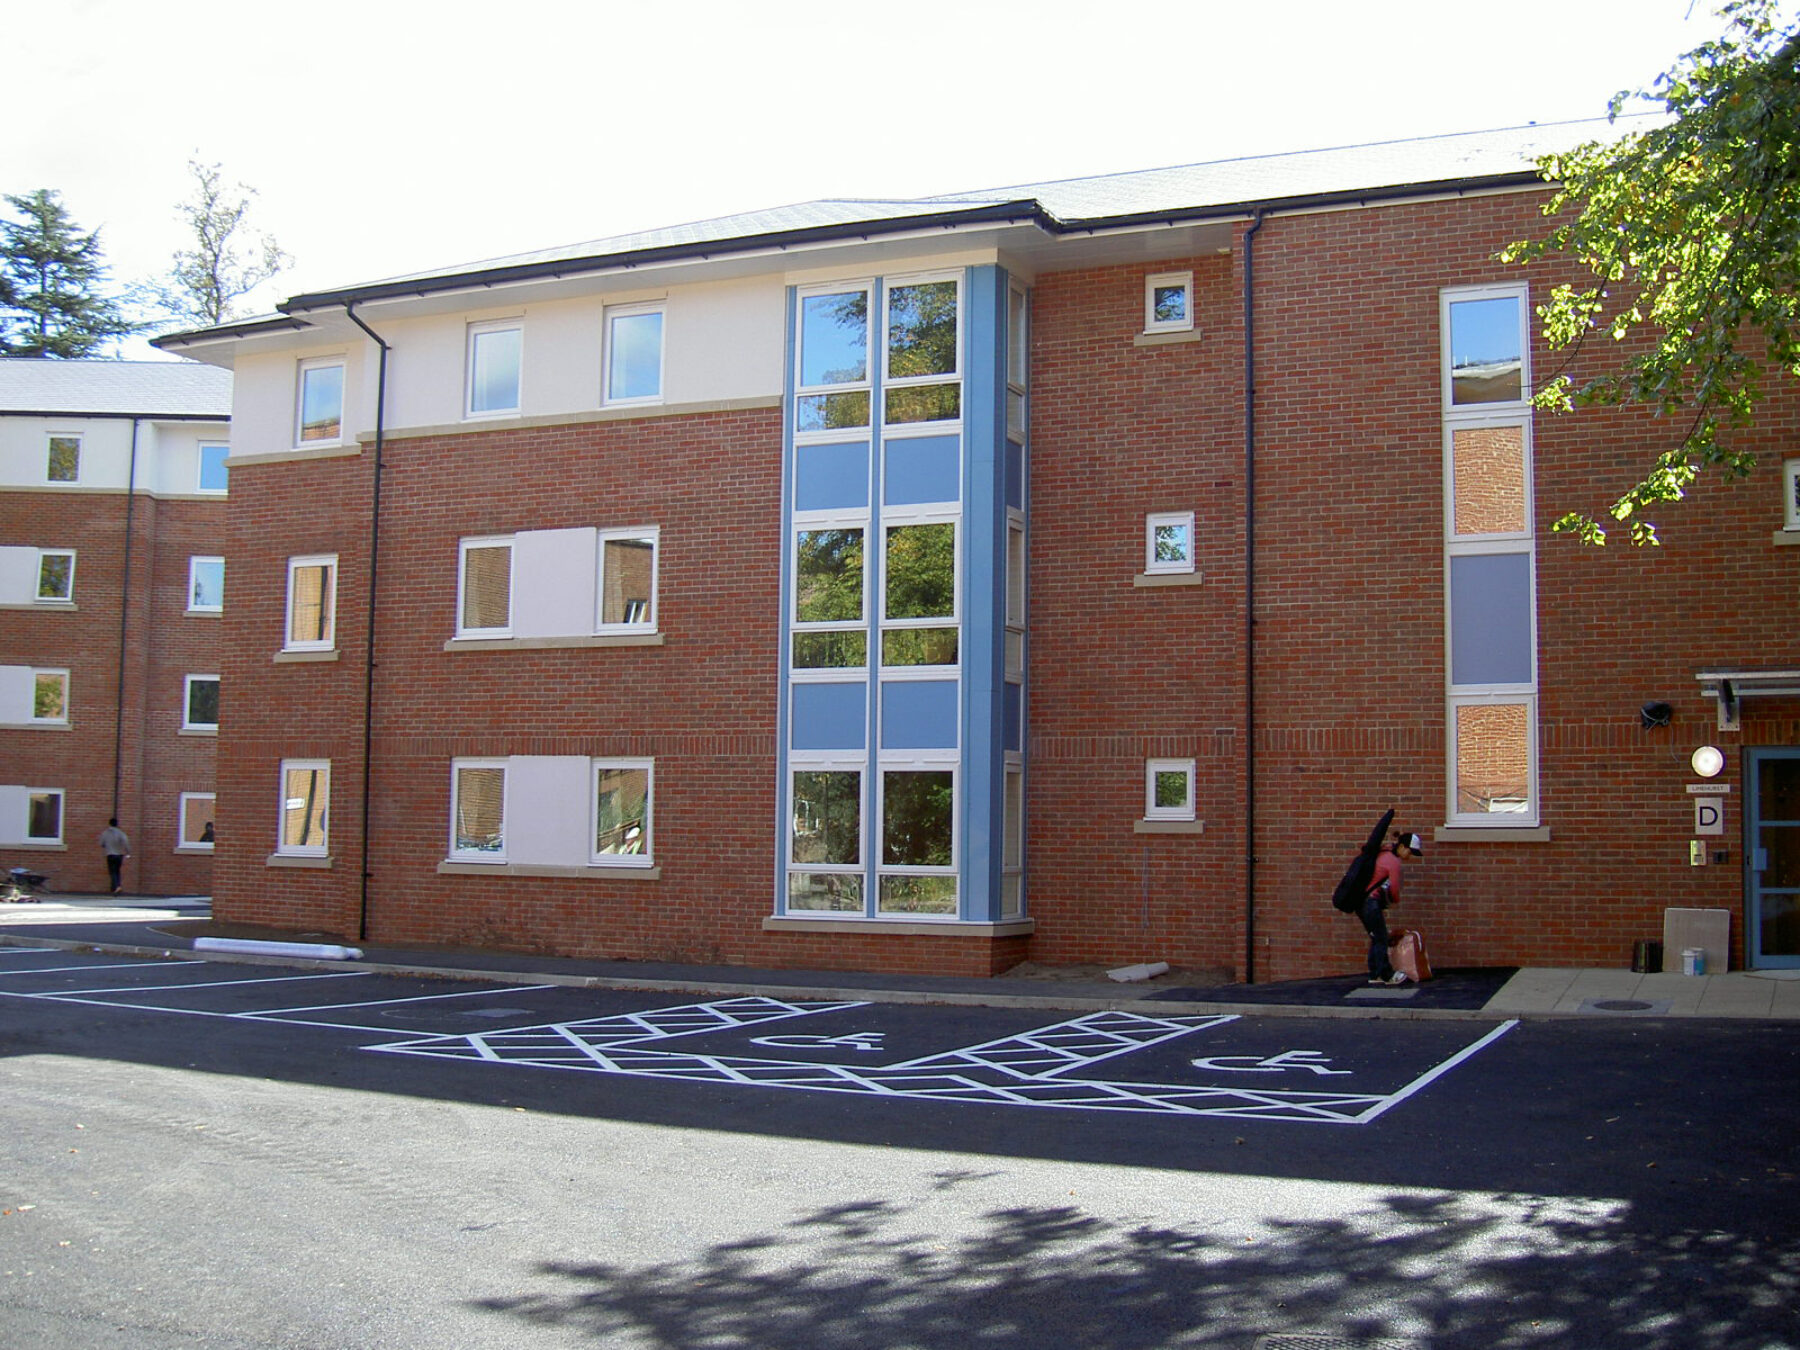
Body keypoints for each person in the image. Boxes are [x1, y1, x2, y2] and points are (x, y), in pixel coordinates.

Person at [1361, 830, 1422, 984]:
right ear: (1401, 846)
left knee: (1376, 937)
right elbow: (1394, 888)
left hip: (1362, 902)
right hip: (1371, 902)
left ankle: (1375, 974)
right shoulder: (1393, 861)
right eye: (1409, 851)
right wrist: (1395, 900)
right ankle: (1387, 975)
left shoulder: (1384, 853)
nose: (1410, 855)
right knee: (1381, 938)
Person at [99, 818, 131, 895]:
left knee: (112, 872)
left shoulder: (105, 833)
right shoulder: (121, 833)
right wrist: (128, 852)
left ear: (109, 824)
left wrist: (108, 845)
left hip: (110, 854)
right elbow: (126, 842)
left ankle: (116, 887)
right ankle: (118, 886)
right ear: (117, 824)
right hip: (119, 855)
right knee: (117, 871)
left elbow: (101, 843)